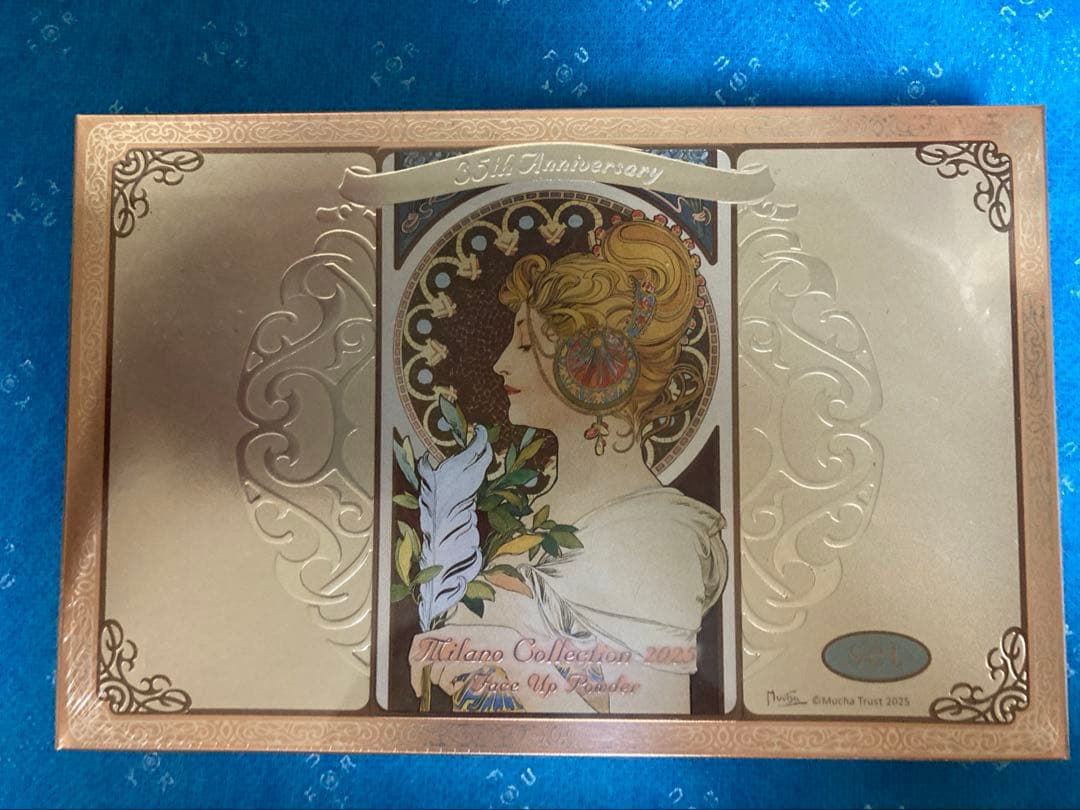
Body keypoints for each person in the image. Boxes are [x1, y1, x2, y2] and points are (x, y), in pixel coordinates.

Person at [409, 217, 727, 714]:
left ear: (589, 368)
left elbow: (653, 730)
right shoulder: (534, 511)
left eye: (525, 344)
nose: (500, 363)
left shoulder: (659, 535)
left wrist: (507, 658)